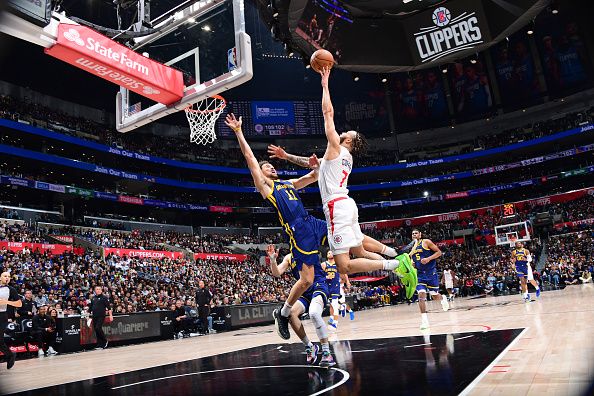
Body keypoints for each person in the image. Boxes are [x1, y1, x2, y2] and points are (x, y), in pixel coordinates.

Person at [268, 67, 416, 298]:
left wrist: (325, 84)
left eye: (348, 132)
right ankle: (396, 254)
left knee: (343, 266)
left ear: (348, 140)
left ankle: (396, 266)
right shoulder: (343, 159)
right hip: (347, 204)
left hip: (336, 208)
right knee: (358, 247)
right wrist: (287, 157)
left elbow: (327, 113)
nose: (344, 131)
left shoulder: (336, 148)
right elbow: (313, 166)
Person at [267, 245, 334, 368]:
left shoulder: (308, 248)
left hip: (318, 286)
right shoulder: (289, 258)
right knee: (291, 313)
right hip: (305, 291)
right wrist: (272, 260)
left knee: (314, 313)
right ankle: (309, 346)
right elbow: (277, 273)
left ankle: (326, 352)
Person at [410, 230, 449, 330]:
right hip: (419, 275)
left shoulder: (426, 242)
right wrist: (412, 264)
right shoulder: (412, 249)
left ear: (420, 234)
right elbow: (412, 261)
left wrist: (428, 259)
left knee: (435, 296)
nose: (414, 235)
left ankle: (443, 298)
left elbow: (439, 252)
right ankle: (424, 321)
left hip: (430, 273)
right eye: (412, 234)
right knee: (421, 295)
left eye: (416, 233)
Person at [0, 271, 21, 369]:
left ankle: (10, 355)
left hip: (2, 315)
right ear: (0, 277)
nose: (7, 278)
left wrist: (7, 302)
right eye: (5, 276)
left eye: (9, 276)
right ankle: (10, 355)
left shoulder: (11, 289)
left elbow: (19, 304)